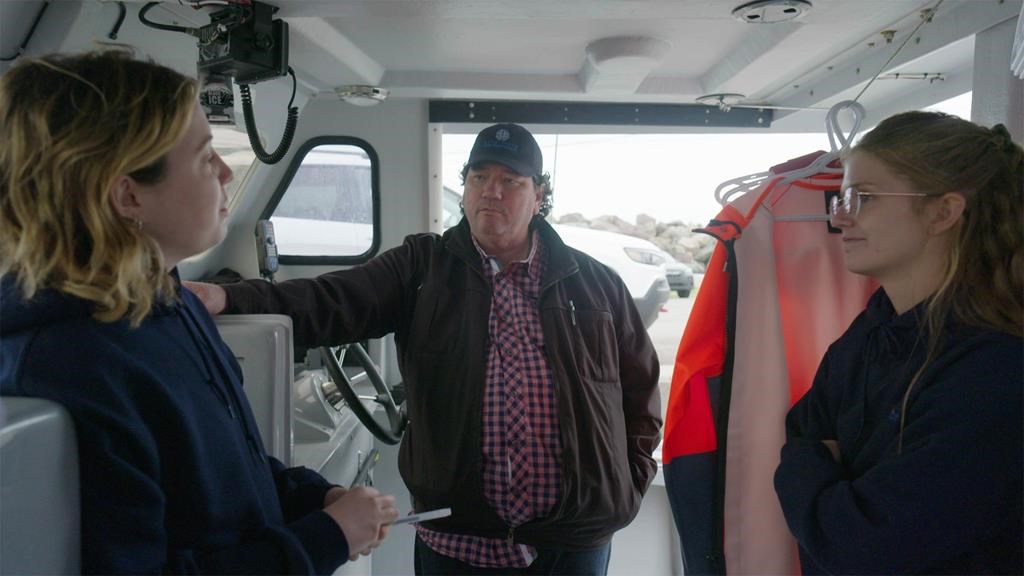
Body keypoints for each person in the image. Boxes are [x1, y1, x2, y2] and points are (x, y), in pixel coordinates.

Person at [186, 122, 663, 574]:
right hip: (457, 542)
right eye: (479, 177)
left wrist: (623, 489)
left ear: (539, 196)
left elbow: (640, 397)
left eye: (511, 180)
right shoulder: (422, 267)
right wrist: (230, 296)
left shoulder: (597, 284)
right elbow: (331, 298)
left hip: (574, 544)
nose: (491, 191)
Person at [0, 50, 399, 575]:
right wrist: (326, 538)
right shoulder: (69, 365)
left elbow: (235, 470)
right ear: (127, 196)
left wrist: (314, 499)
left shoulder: (172, 304)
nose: (225, 170)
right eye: (204, 154)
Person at [773, 111, 1023, 574]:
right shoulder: (873, 328)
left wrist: (816, 476)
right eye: (842, 198)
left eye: (863, 197)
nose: (841, 216)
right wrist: (823, 481)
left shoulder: (997, 369)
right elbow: (801, 436)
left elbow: (861, 545)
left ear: (942, 212)